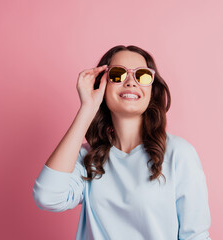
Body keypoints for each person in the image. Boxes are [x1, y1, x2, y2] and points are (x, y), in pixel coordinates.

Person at [32, 45, 211, 240]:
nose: (131, 82)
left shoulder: (178, 154)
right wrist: (87, 109)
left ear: (151, 89)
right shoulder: (89, 157)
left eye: (142, 76)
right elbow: (47, 197)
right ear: (101, 84)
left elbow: (196, 236)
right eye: (118, 74)